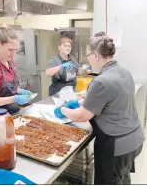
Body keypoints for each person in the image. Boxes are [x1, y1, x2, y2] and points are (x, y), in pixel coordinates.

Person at [54, 31, 145, 184]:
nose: (88, 60)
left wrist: (62, 110)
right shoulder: (124, 71)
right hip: (134, 140)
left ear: (96, 55)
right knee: (122, 178)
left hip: (116, 146)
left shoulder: (101, 81)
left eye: (88, 55)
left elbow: (82, 116)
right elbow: (111, 101)